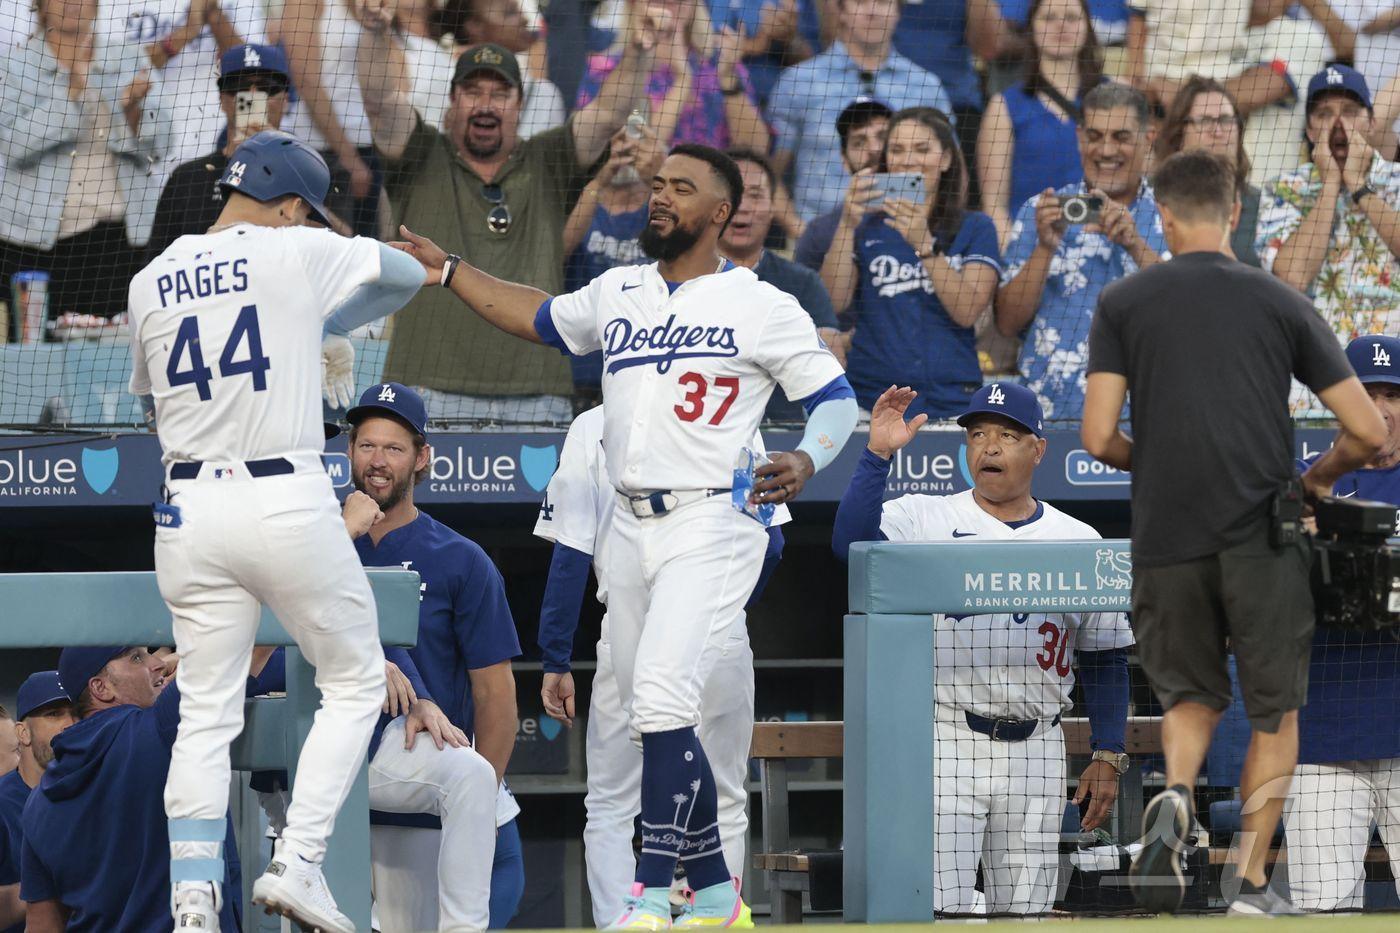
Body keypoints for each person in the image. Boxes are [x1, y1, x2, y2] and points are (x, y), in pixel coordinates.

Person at [392, 142, 858, 925]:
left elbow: (836, 398)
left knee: (662, 697)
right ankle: (718, 894)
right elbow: (535, 315)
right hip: (631, 527)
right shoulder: (621, 289)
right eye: (659, 183)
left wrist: (809, 457)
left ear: (721, 211)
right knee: (654, 711)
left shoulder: (761, 303)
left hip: (712, 516)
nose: (661, 195)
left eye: (682, 187)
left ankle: (651, 894)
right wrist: (450, 272)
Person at [127, 130, 432, 932]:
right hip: (282, 496)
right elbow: (407, 273)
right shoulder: (295, 248)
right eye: (307, 209)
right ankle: (298, 860)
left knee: (204, 711)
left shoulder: (150, 277)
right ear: (292, 204)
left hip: (187, 510)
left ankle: (194, 900)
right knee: (355, 677)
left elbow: (152, 399)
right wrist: (324, 317)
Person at [1080, 149, 1388, 915]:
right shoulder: (1279, 299)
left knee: (1190, 699)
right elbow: (1366, 428)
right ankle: (1247, 880)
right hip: (1263, 533)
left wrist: (1160, 462)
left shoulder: (1123, 300)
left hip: (1166, 535)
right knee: (1275, 715)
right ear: (1236, 212)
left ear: (1162, 217)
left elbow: (1096, 437)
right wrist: (1313, 481)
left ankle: (1178, 791)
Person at [832, 382, 1133, 916]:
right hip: (948, 737)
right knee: (937, 910)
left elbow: (1104, 656)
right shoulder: (924, 517)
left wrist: (1107, 752)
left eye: (1007, 436)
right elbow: (848, 546)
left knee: (1027, 914)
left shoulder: (1078, 539)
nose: (989, 447)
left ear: (1038, 449)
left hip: (1039, 746)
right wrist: (877, 453)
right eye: (977, 434)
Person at [533, 403, 789, 926]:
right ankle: (713, 916)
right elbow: (772, 544)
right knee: (725, 796)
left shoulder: (594, 424)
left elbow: (572, 553)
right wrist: (723, 610)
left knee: (612, 804)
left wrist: (555, 655)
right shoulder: (730, 407)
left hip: (633, 625)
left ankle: (624, 921)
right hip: (718, 628)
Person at [357, 4, 658, 424]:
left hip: (538, 395)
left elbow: (609, 113)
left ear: (520, 104)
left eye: (500, 94)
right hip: (426, 391)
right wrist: (374, 31)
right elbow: (380, 101)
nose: (486, 105)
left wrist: (640, 50)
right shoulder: (419, 153)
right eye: (472, 92)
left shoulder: (549, 159)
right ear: (452, 100)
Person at [342, 383, 524, 932]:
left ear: (422, 458)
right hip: (343, 794)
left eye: (394, 448)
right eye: (367, 445)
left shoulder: (461, 559)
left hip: (428, 795)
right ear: (349, 452)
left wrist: (476, 800)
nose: (377, 461)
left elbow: (496, 697)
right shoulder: (320, 544)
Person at [20, 646, 256, 931]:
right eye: (136, 658)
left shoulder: (38, 801)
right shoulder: (159, 726)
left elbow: (42, 925)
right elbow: (241, 643)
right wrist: (185, 658)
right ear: (101, 688)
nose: (157, 663)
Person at [1286, 333, 1400, 912]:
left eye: (1393, 394)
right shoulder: (1300, 485)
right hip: (1323, 735)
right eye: (1365, 393)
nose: (1380, 408)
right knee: (1323, 913)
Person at [995, 81, 1166, 421]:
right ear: (1078, 137)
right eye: (1094, 136)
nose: (1106, 150)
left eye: (1121, 137)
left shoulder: (1171, 215)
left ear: (1148, 138)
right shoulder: (1039, 211)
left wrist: (1135, 244)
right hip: (1047, 415)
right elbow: (1008, 323)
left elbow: (1190, 312)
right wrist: (1045, 247)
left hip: (1146, 418)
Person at [822, 107, 1002, 419]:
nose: (907, 160)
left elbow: (967, 311)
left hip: (952, 399)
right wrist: (847, 224)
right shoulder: (865, 226)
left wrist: (924, 245)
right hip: (873, 400)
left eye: (922, 149)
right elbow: (834, 301)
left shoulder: (976, 227)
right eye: (896, 150)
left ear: (946, 159)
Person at [0, 0, 171, 324]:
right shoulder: (13, 65)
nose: (72, 4)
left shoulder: (129, 58)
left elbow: (161, 144)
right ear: (40, 6)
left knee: (117, 349)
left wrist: (131, 111)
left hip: (116, 244)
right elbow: (14, 144)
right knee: (31, 351)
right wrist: (72, 92)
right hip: (31, 244)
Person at [1257, 65, 1400, 418]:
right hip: (1314, 380)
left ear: (1371, 122)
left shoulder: (1397, 181)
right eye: (1324, 113)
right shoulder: (1283, 189)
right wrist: (1330, 185)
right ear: (1309, 129)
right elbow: (1292, 276)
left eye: (1350, 111)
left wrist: (1358, 186)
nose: (1338, 124)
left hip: (1393, 371)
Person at [766, 0, 952, 223]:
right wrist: (802, 232)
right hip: (816, 236)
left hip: (905, 235)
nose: (872, 11)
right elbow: (768, 173)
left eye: (883, 3)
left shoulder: (926, 86)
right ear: (841, 11)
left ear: (898, 12)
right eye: (860, 2)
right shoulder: (798, 81)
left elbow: (951, 173)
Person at [1125, 0, 1331, 185]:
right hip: (1201, 188)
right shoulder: (1217, 39)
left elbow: (1249, 95)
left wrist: (1164, 91)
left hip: (1267, 192)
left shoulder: (1302, 36)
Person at [145, 42, 296, 257]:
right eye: (240, 87)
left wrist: (279, 160)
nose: (253, 96)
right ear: (223, 99)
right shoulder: (188, 178)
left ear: (285, 99)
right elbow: (155, 262)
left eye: (267, 87)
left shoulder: (309, 169)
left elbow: (338, 238)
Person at [722, 148, 841, 417]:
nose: (743, 206)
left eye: (755, 195)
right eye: (733, 194)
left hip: (783, 432)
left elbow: (831, 362)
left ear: (773, 207)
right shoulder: (684, 277)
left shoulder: (802, 282)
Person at [977, 0, 1103, 244]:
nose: (1061, 25)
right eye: (1049, 17)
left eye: (1071, 17)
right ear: (1031, 28)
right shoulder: (1003, 106)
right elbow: (994, 206)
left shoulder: (1114, 98)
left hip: (1101, 243)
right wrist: (1013, 255)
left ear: (1088, 27)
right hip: (1026, 246)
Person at [576, 0, 770, 156]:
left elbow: (756, 150)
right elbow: (636, 155)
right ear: (633, 3)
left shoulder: (722, 62)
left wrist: (728, 79)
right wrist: (683, 79)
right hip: (643, 190)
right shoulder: (606, 69)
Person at [562, 123, 667, 407]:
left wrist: (660, 180)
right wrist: (598, 182)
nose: (625, 149)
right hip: (578, 370)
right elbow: (556, 254)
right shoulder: (574, 198)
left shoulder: (660, 207)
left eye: (635, 140)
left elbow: (690, 250)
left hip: (644, 370)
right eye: (615, 140)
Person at [272, 0, 386, 235]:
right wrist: (350, 159)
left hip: (367, 146)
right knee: (337, 249)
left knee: (370, 249)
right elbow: (306, 81)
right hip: (326, 154)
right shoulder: (305, 4)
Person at [399, 0, 566, 138]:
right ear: (474, 25)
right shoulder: (439, 77)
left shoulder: (544, 93)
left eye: (500, 94)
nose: (524, 20)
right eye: (510, 13)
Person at [1154, 75, 1261, 266]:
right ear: (1179, 133)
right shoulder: (1150, 198)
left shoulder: (1264, 206)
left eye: (1226, 120)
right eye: (1204, 121)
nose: (1217, 132)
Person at [0, 674, 73, 933]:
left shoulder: (96, 795)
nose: (69, 724)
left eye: (77, 713)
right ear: (23, 732)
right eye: (54, 714)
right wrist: (46, 887)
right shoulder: (4, 805)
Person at [793, 95, 892, 273]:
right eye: (859, 142)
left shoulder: (935, 217)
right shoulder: (819, 233)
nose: (874, 149)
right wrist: (846, 226)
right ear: (844, 160)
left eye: (883, 137)